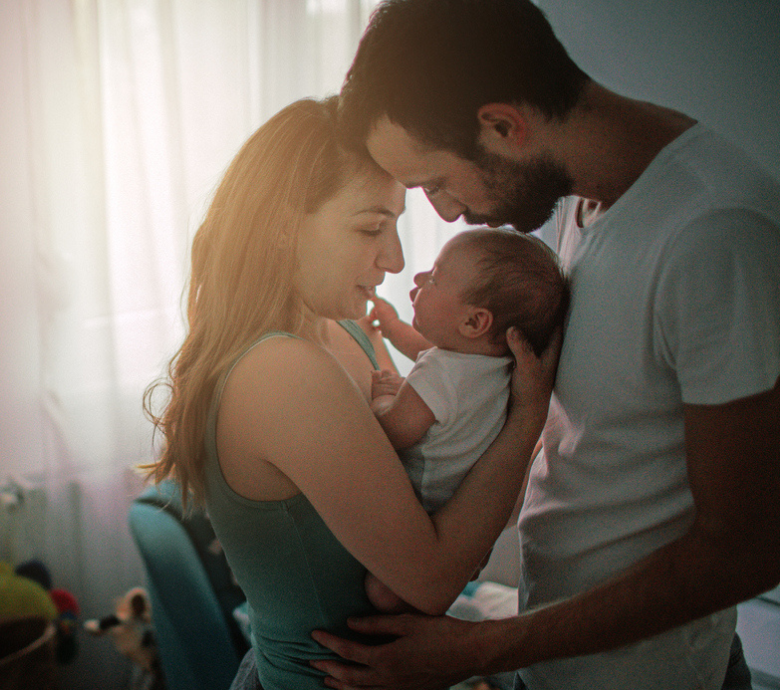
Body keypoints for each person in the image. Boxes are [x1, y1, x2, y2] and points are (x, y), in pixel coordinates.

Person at [309, 0, 780, 688]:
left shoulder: (717, 234)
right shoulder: (586, 202)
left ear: (503, 125)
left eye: (437, 182)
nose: (442, 212)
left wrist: (479, 650)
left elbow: (749, 550)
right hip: (559, 661)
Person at [142, 96, 559, 690]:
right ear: (285, 226)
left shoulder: (345, 331)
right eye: (370, 227)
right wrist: (527, 421)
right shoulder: (282, 371)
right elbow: (435, 578)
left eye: (394, 225)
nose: (394, 259)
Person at [363, 228, 568, 613]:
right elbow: (427, 350)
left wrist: (383, 398)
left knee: (379, 590)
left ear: (474, 323)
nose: (419, 279)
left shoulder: (440, 371)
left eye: (434, 278)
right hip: (466, 507)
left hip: (424, 509)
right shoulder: (495, 366)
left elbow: (397, 431)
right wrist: (391, 328)